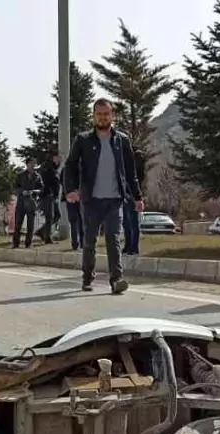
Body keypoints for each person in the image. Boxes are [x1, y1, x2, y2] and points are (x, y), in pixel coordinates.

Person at [64, 98, 142, 295]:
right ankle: (87, 277)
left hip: (115, 199)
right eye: (99, 114)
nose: (103, 117)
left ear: (112, 116)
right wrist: (71, 189)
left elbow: (130, 172)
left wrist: (137, 197)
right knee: (89, 240)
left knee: (113, 239)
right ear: (94, 116)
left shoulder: (122, 140)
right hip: (91, 200)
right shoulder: (83, 140)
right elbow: (70, 165)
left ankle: (116, 279)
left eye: (106, 114)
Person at [12, 159, 42, 249]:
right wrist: (22, 192)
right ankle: (15, 243)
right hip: (21, 202)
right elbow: (15, 187)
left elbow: (41, 188)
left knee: (30, 224)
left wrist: (34, 192)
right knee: (18, 223)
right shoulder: (20, 175)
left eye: (34, 164)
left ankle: (28, 243)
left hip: (31, 201)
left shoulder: (37, 176)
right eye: (30, 164)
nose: (32, 165)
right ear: (27, 165)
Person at [121, 149, 147, 256]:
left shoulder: (133, 170)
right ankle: (131, 247)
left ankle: (130, 247)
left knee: (129, 223)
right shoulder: (140, 172)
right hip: (134, 197)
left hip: (129, 196)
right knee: (132, 223)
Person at [38, 154, 62, 243]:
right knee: (50, 216)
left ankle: (42, 231)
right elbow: (48, 182)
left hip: (52, 196)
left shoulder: (53, 168)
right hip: (48, 195)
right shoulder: (48, 168)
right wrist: (50, 192)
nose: (60, 160)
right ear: (54, 158)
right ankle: (47, 238)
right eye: (59, 158)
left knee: (57, 215)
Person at [61, 158, 82, 250]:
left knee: (75, 220)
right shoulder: (82, 165)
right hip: (77, 195)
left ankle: (76, 243)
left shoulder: (66, 168)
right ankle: (80, 242)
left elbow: (62, 182)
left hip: (72, 196)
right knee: (79, 220)